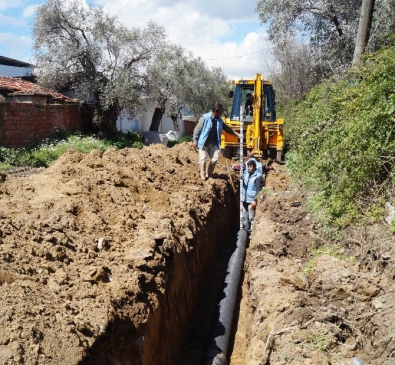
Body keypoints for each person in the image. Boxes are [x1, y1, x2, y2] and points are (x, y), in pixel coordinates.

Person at [193, 102, 240, 180]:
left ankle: (209, 174)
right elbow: (197, 130)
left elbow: (226, 128)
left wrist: (236, 134)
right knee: (203, 159)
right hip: (203, 142)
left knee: (215, 159)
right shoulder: (205, 118)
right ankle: (202, 175)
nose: (221, 113)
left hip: (213, 142)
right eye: (220, 112)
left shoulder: (219, 120)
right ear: (215, 111)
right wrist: (195, 140)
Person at [242, 159, 263, 235]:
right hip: (245, 200)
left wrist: (255, 200)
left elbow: (258, 190)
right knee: (245, 218)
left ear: (254, 167)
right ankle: (246, 231)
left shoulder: (258, 177)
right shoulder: (246, 174)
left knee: (251, 218)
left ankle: (252, 234)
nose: (248, 168)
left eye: (250, 167)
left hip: (251, 201)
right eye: (248, 166)